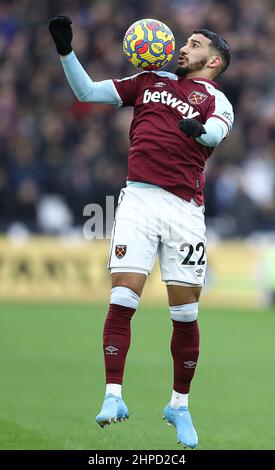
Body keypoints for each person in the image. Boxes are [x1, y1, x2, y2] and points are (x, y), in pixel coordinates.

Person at [49, 15, 234, 449]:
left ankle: (179, 405)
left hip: (185, 211)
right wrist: (65, 51)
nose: (182, 48)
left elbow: (215, 133)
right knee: (122, 296)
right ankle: (113, 395)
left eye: (192, 44)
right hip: (138, 200)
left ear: (213, 62)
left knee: (185, 315)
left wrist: (196, 129)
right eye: (184, 42)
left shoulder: (216, 100)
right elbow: (87, 92)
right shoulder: (149, 82)